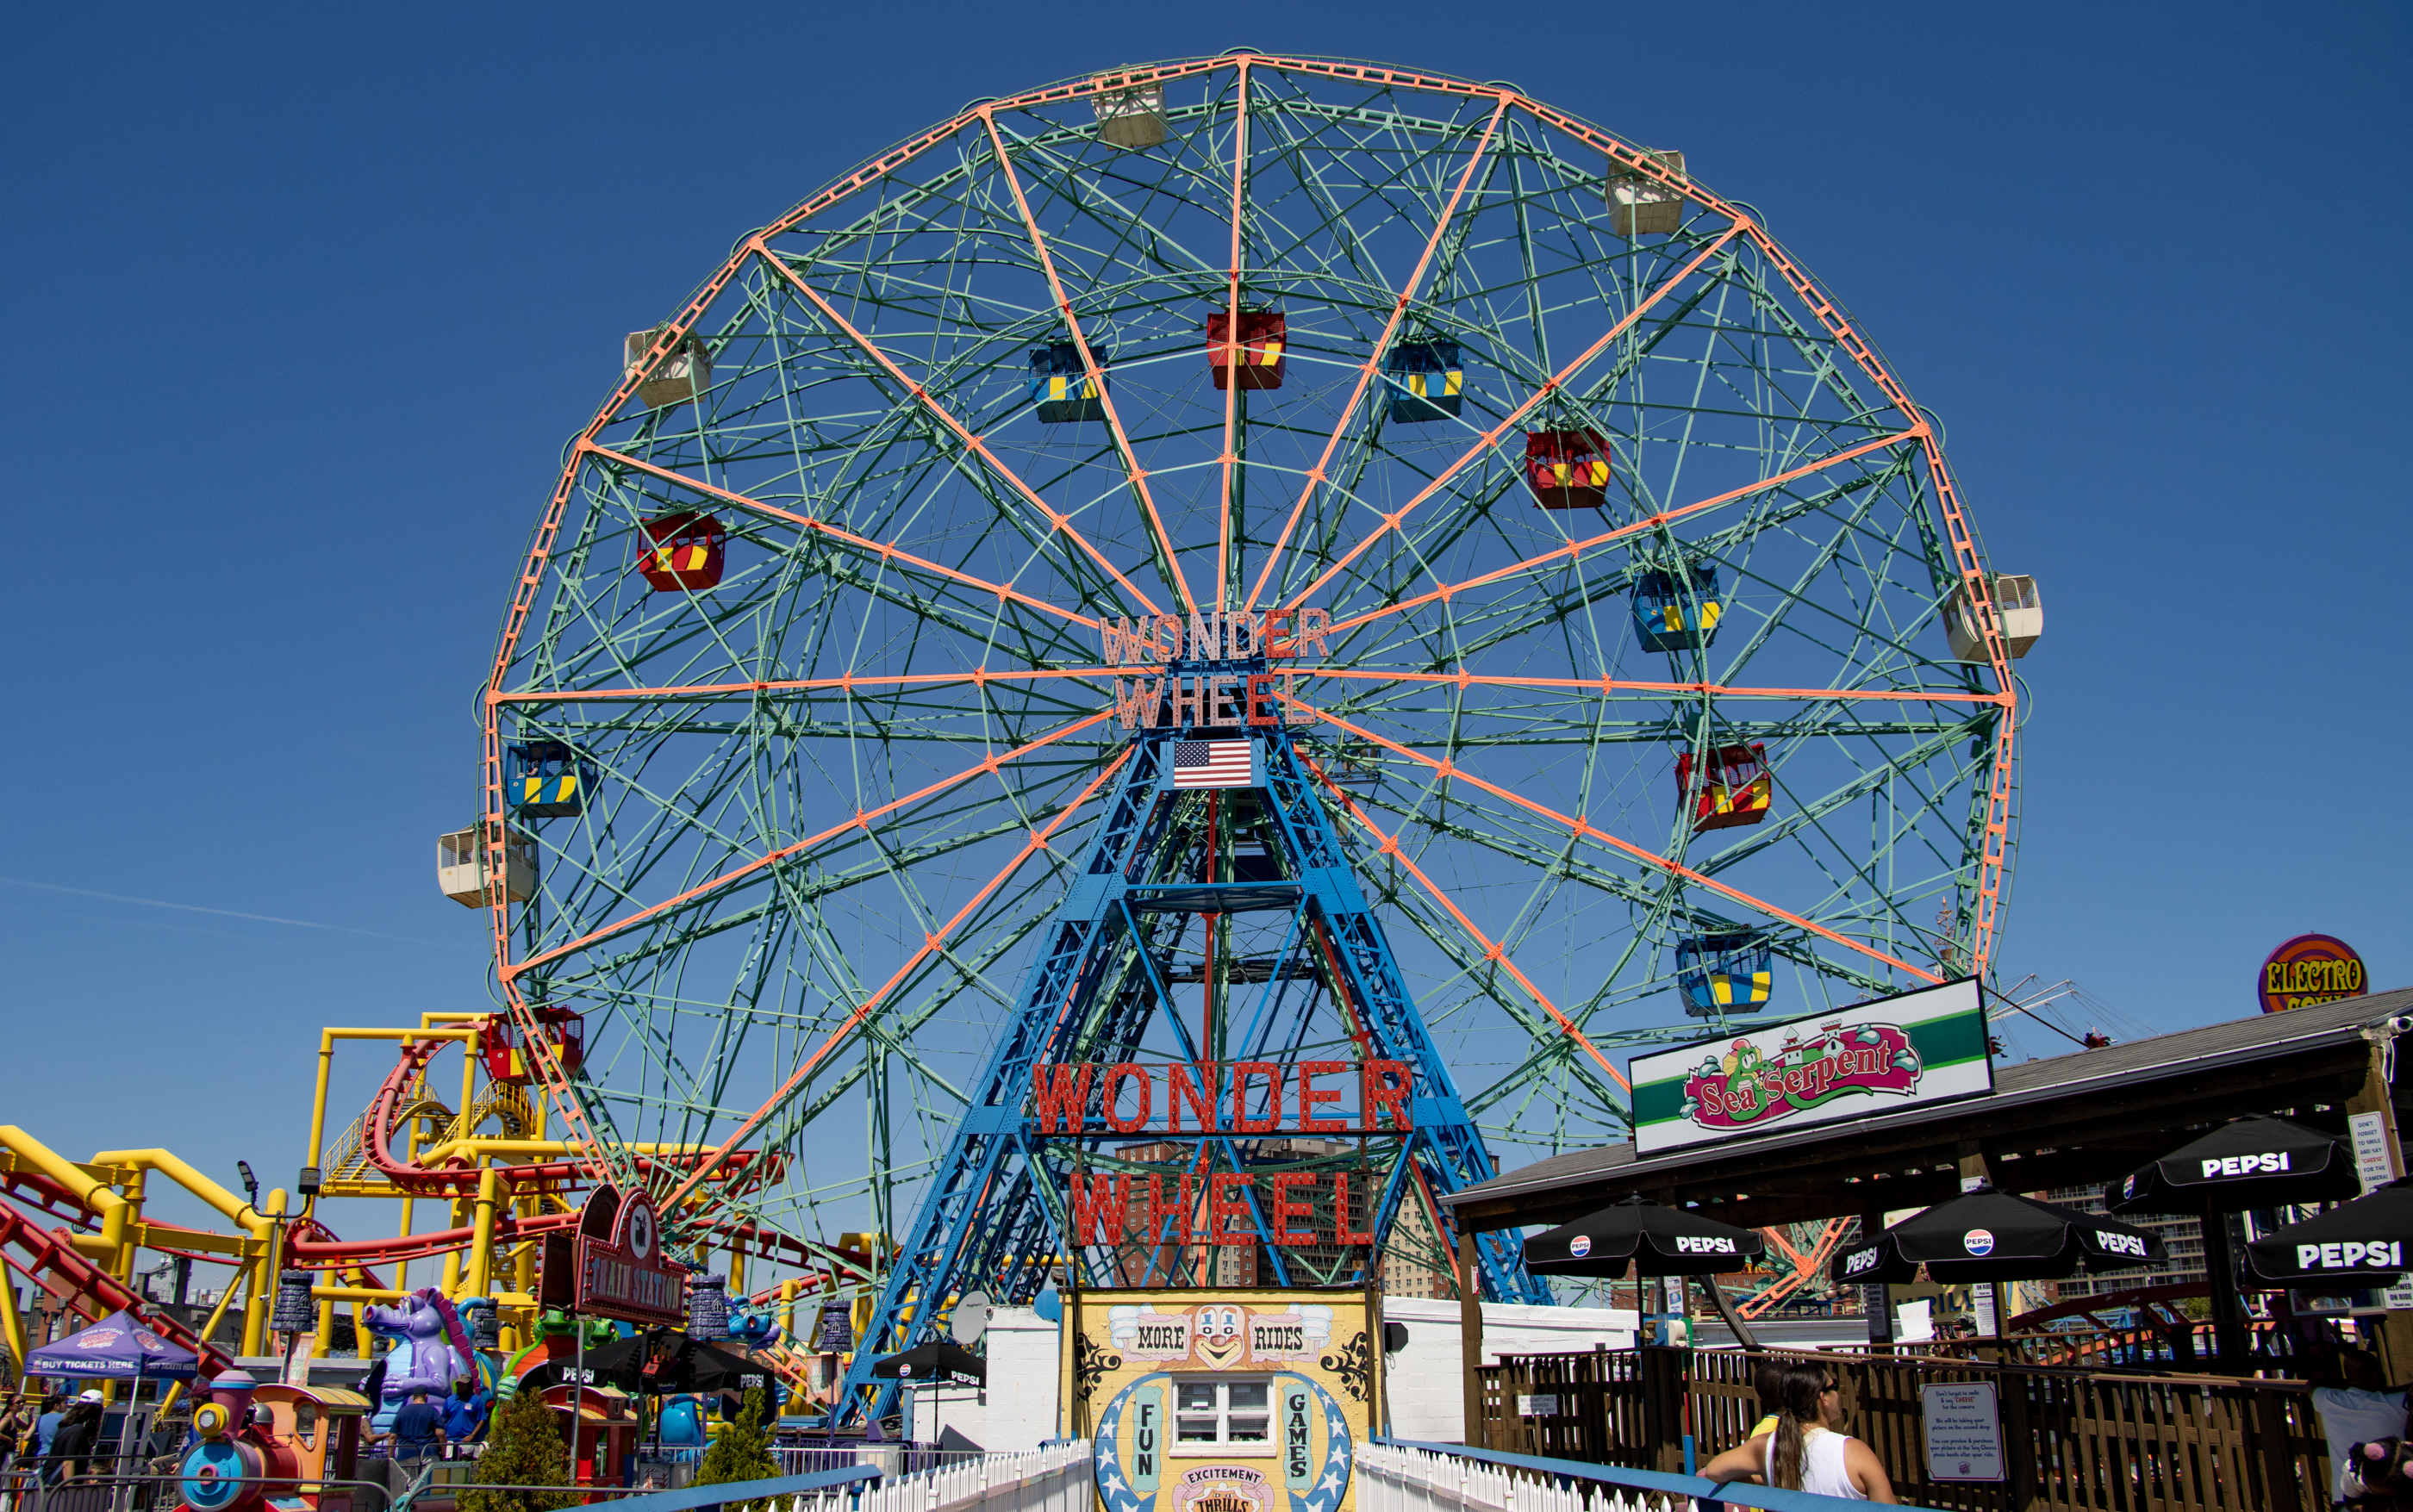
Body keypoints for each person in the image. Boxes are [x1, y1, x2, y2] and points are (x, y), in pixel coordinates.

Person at [1702, 1361, 1896, 1503]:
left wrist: (1767, 1476)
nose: (1838, 1392)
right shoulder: (1852, 1451)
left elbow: (1711, 1471)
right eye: (1834, 1387)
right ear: (1823, 1398)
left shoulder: (1765, 1446)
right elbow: (1890, 1510)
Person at [2311, 1347, 2409, 1508]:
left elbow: (2313, 1384)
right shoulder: (2395, 1404)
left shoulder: (2329, 1400)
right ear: (2377, 1376)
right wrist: (2392, 1390)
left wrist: (2349, 1382)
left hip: (2346, 1501)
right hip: (2388, 1501)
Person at [382, 1390, 446, 1469]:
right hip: (428, 1452)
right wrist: (443, 1454)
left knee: (408, 1481)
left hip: (406, 1454)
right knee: (428, 1480)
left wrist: (390, 1458)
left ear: (413, 1397)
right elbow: (441, 1434)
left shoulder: (403, 1411)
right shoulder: (432, 1410)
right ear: (426, 1396)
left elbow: (392, 1437)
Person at [442, 1378, 491, 1447]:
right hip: (451, 1440)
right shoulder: (449, 1400)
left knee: (466, 1457)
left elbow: (482, 1419)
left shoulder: (477, 1400)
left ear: (469, 1386)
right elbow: (444, 1418)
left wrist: (472, 1435)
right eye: (458, 1384)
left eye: (463, 1384)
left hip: (468, 1440)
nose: (460, 1386)